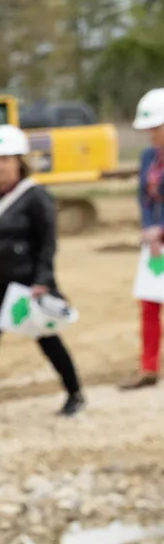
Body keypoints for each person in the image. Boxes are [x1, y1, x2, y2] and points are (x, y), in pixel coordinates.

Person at [0, 125, 84, 421]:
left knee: (46, 338)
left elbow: (48, 243)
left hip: (26, 282)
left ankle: (75, 392)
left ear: (18, 161)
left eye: (5, 159)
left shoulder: (36, 196)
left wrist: (42, 280)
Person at [125, 88, 164, 390]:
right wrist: (149, 228)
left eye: (156, 128)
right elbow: (144, 197)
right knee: (149, 304)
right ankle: (148, 367)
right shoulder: (148, 156)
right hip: (155, 246)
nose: (151, 134)